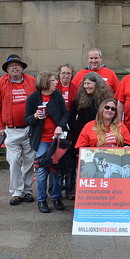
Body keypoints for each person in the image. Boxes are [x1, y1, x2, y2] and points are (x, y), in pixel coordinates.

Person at [0, 54, 37, 206]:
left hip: (30, 128)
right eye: (11, 66)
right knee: (15, 161)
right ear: (7, 69)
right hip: (11, 130)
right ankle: (17, 192)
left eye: (17, 64)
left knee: (29, 160)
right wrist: (0, 128)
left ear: (22, 67)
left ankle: (28, 190)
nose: (15, 67)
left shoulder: (32, 81)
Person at [25, 71, 69, 213]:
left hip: (55, 139)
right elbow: (27, 119)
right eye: (53, 80)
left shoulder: (57, 95)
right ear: (45, 82)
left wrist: (59, 126)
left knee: (56, 169)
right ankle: (42, 200)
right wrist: (35, 116)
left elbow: (65, 114)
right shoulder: (33, 98)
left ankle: (56, 197)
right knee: (43, 170)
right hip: (41, 140)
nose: (56, 82)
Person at [55, 63, 77, 199]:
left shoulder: (75, 89)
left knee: (70, 161)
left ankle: (70, 190)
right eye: (63, 73)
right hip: (56, 127)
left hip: (71, 128)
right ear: (59, 75)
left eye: (69, 73)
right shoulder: (54, 87)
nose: (66, 76)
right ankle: (55, 189)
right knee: (56, 160)